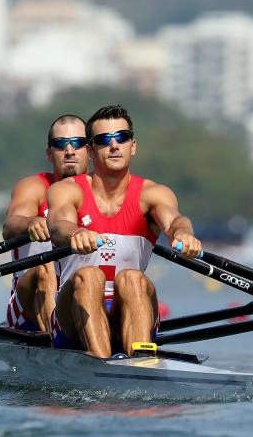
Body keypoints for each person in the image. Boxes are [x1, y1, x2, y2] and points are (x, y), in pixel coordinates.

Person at [46, 104, 202, 357]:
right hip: (71, 317)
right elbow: (58, 225)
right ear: (91, 150)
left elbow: (175, 221)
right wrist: (75, 234)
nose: (115, 145)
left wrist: (182, 235)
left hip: (129, 308)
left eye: (122, 137)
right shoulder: (67, 190)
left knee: (133, 278)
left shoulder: (153, 193)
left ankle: (140, 363)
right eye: (104, 140)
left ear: (134, 146)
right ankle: (102, 364)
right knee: (89, 276)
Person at [2, 114, 89, 332]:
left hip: (81, 298)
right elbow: (10, 226)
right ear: (49, 154)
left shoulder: (104, 193)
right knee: (43, 269)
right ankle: (57, 341)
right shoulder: (34, 187)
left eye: (78, 143)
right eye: (60, 145)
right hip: (27, 308)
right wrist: (31, 222)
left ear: (91, 150)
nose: (69, 151)